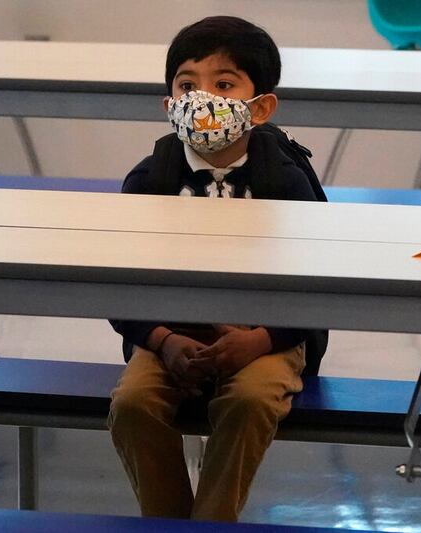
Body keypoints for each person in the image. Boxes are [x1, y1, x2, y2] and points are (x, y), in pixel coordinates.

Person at [108, 16, 326, 522]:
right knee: (134, 404)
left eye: (224, 84)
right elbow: (118, 284)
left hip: (265, 335)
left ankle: (213, 521)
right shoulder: (149, 179)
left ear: (261, 106)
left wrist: (262, 338)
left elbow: (319, 283)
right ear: (169, 105)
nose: (202, 98)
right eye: (187, 85)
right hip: (170, 335)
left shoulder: (287, 181)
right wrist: (161, 339)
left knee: (250, 400)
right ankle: (166, 521)